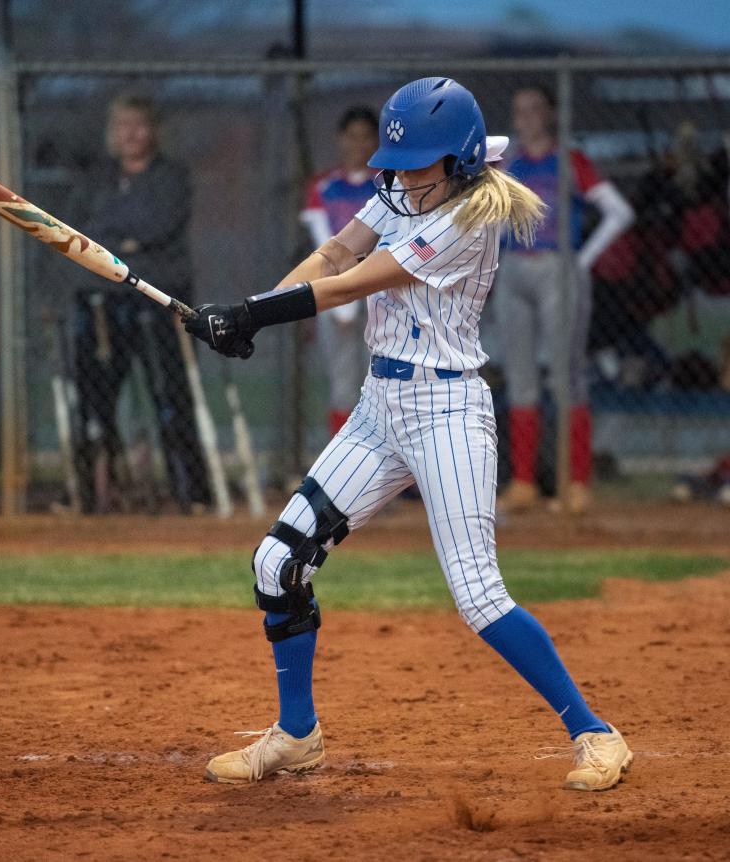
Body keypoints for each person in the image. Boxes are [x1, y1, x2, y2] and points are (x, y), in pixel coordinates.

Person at [185, 77, 633, 790]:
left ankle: (594, 731)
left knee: (479, 596)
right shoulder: (404, 186)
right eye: (394, 164)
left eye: (415, 165)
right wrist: (254, 311)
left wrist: (250, 315)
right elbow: (334, 255)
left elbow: (359, 280)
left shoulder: (468, 217)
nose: (396, 179)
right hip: (379, 407)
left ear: (456, 163)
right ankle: (297, 736)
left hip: (445, 415)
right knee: (278, 564)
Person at [496, 86, 634, 515]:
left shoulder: (570, 161)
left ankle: (576, 483)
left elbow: (619, 211)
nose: (528, 118)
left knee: (565, 375)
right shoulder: (507, 163)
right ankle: (523, 483)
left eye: (536, 109)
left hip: (558, 266)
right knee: (520, 376)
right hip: (513, 266)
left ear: (551, 114)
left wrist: (582, 260)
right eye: (521, 111)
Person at [72, 93, 209, 513]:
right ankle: (97, 492)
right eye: (121, 125)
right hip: (103, 304)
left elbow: (159, 225)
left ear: (153, 130)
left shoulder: (171, 176)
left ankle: (189, 491)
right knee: (94, 399)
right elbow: (90, 230)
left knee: (170, 395)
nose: (129, 134)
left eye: (138, 124)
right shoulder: (98, 177)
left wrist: (123, 244)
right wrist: (128, 243)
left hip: (159, 299)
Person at [300, 107, 379, 435]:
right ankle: (344, 471)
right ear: (340, 140)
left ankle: (390, 473)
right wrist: (341, 300)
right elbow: (324, 244)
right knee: (343, 386)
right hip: (334, 293)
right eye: (351, 136)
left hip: (377, 291)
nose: (358, 144)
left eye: (366, 137)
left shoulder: (386, 184)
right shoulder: (324, 186)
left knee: (379, 386)